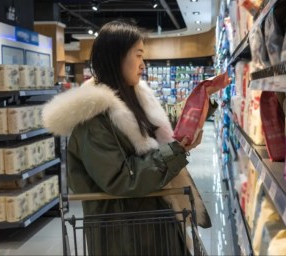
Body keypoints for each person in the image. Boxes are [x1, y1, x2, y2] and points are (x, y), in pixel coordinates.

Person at [42, 19, 211, 255]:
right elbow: (121, 178)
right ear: (116, 57)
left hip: (152, 226)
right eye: (138, 55)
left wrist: (200, 108)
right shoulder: (93, 118)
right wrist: (174, 153)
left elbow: (153, 141)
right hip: (125, 237)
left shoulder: (134, 100)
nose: (143, 64)